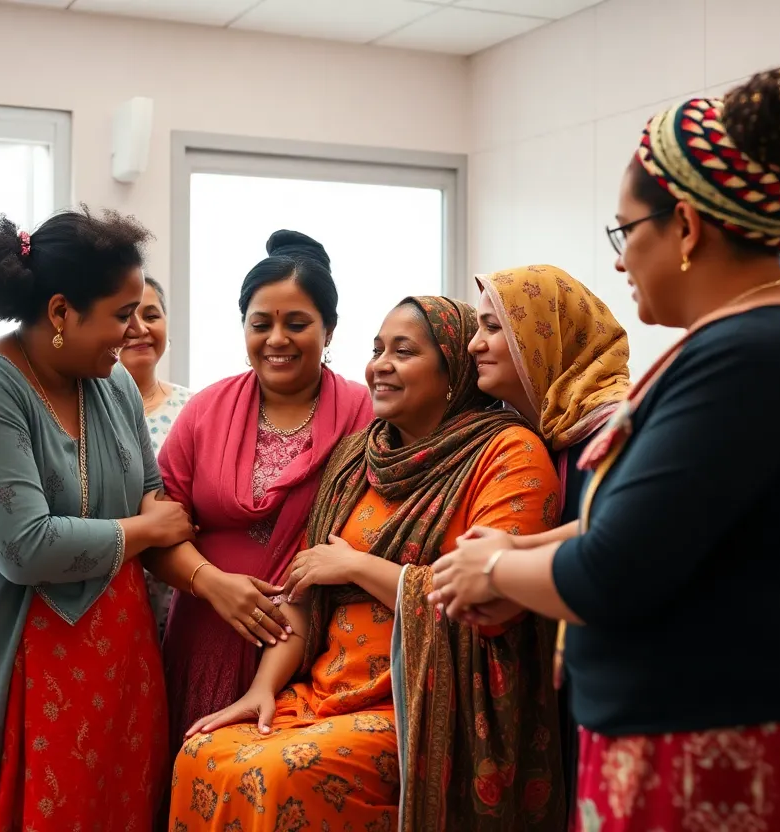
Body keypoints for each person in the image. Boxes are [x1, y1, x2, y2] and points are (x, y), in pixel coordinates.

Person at [431, 66, 780, 831]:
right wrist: (522, 547)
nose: (620, 262)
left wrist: (493, 566)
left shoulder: (754, 356)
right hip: (743, 729)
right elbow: (663, 526)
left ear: (685, 227)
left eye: (627, 232)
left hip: (742, 748)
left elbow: (614, 570)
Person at [167, 297, 566, 832]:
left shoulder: (506, 454)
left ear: (454, 372)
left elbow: (495, 603)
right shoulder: (358, 458)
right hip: (326, 693)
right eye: (377, 349)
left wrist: (357, 568)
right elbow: (307, 590)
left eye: (403, 352)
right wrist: (261, 688)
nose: (380, 364)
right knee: (204, 754)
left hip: (418, 702)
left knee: (278, 773)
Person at [0, 208, 196, 831]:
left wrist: (149, 522)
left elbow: (150, 489)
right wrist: (148, 532)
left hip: (91, 641)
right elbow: (27, 548)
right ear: (59, 313)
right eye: (120, 314)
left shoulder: (112, 384)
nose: (133, 332)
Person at [142, 230, 373, 756]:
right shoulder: (205, 411)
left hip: (314, 647)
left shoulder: (367, 416)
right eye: (260, 324)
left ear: (329, 329)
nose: (277, 339)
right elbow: (156, 531)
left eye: (297, 324)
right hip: (203, 630)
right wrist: (213, 585)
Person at [469, 264, 630, 808]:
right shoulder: (555, 429)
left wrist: (497, 567)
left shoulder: (613, 430)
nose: (475, 345)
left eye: (494, 328)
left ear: (542, 333)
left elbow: (607, 546)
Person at [119, 274, 193, 640]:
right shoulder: (79, 411)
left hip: (180, 585)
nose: (140, 328)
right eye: (126, 316)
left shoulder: (196, 407)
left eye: (152, 315)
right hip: (111, 583)